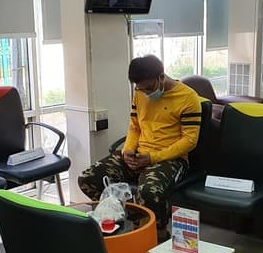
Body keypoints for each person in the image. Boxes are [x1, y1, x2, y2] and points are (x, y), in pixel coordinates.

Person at [78, 55, 202, 241]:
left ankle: (158, 236)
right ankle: (133, 219)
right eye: (140, 88)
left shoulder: (188, 98)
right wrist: (128, 150)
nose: (145, 93)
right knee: (89, 178)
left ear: (161, 77)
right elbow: (135, 127)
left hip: (170, 159)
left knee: (149, 192)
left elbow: (190, 141)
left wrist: (152, 157)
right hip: (138, 154)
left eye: (148, 88)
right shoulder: (140, 92)